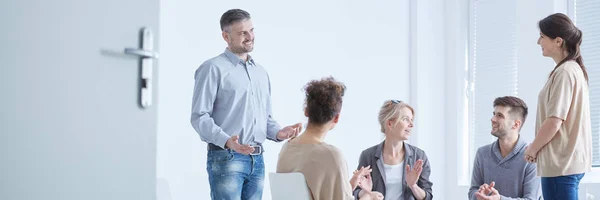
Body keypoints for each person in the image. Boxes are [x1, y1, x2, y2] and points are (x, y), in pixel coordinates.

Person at [190, 8, 302, 200]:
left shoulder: (261, 72)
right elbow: (199, 117)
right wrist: (226, 141)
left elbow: (264, 118)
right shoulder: (212, 68)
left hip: (257, 160)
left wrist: (278, 132)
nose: (250, 37)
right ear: (226, 36)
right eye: (242, 33)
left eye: (251, 30)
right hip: (227, 158)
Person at [276, 77, 384, 200]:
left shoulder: (286, 149)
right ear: (336, 118)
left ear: (306, 111)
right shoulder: (331, 156)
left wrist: (348, 186)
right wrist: (369, 197)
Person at [524, 13, 592, 200]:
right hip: (565, 165)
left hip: (560, 166)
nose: (539, 42)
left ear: (558, 41)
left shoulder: (565, 72)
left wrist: (533, 149)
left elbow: (554, 120)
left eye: (543, 36)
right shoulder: (572, 70)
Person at [354, 100, 433, 200]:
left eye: (412, 119)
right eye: (406, 119)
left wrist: (413, 186)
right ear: (390, 124)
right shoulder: (368, 155)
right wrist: (368, 193)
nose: (411, 124)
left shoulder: (419, 156)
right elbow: (356, 191)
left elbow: (428, 196)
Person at [468, 96, 540, 200]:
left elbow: (531, 199)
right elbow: (472, 192)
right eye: (494, 114)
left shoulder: (532, 157)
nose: (493, 119)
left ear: (515, 124)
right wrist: (480, 194)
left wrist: (499, 199)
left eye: (500, 116)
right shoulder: (482, 153)